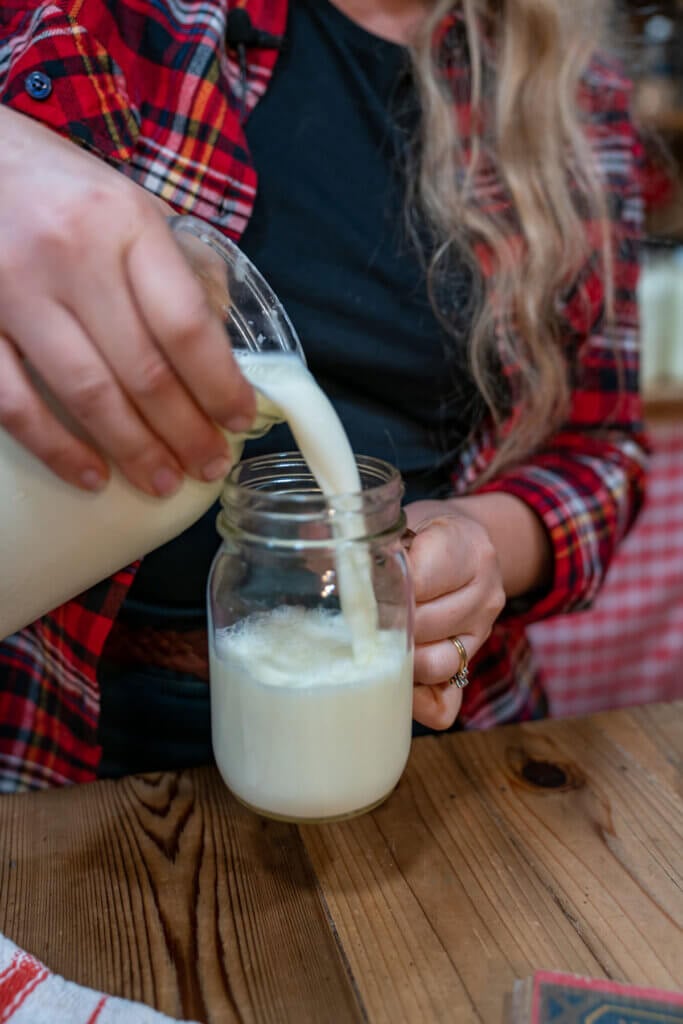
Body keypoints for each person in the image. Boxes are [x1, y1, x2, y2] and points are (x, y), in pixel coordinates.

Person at [0, 0, 648, 790]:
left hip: (428, 732)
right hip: (54, 715)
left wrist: (478, 537)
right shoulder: (117, 14)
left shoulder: (571, 95)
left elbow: (600, 450)